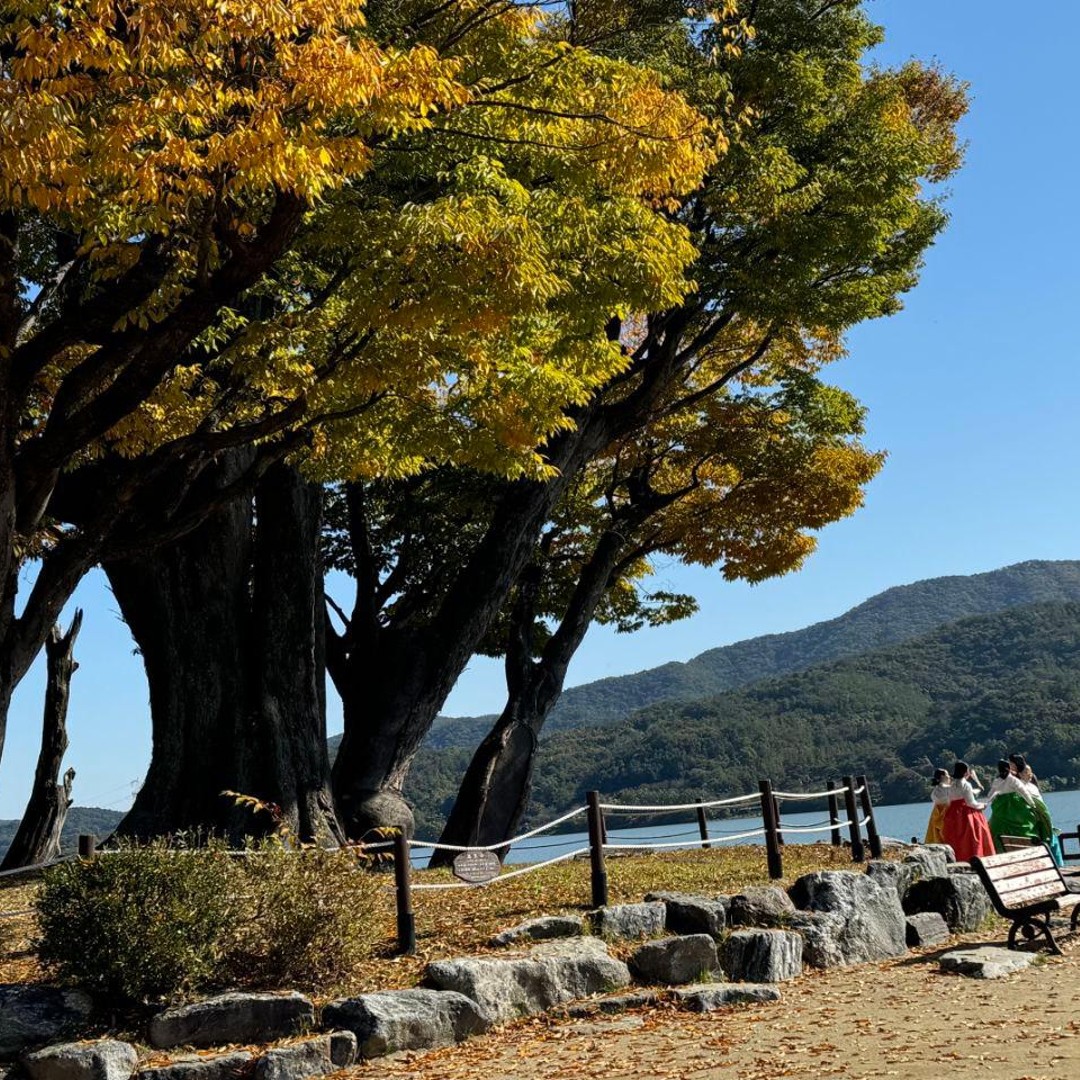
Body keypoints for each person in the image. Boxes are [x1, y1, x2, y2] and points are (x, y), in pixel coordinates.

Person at [1008, 753, 1063, 865]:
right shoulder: (1022, 785)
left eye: (1010, 764)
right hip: (1037, 822)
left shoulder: (1020, 785)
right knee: (1050, 839)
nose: (1009, 766)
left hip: (1034, 822)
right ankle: (1057, 865)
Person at [942, 760, 995, 861]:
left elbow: (950, 800)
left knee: (955, 838)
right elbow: (971, 803)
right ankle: (977, 857)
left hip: (952, 813)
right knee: (974, 836)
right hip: (965, 814)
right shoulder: (966, 784)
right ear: (966, 772)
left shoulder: (951, 786)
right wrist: (982, 805)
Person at [987, 759, 1039, 852]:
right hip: (1014, 805)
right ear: (1008, 769)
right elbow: (1024, 792)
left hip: (1000, 806)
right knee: (1024, 823)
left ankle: (1000, 849)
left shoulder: (997, 781)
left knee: (997, 826)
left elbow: (990, 795)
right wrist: (1032, 804)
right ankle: (1025, 845)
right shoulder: (1013, 780)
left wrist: (989, 802)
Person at [925, 768, 951, 844]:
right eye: (947, 774)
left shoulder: (935, 791)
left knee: (936, 835)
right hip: (947, 814)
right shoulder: (949, 789)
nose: (949, 776)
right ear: (942, 776)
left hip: (937, 814)